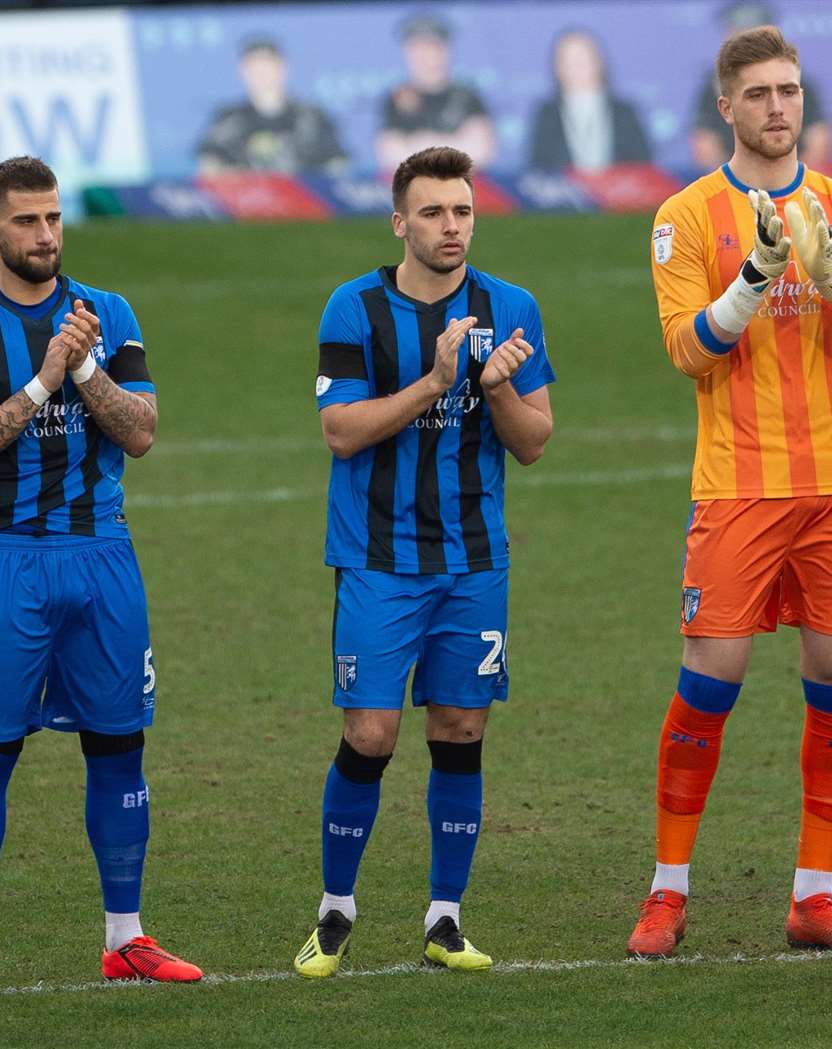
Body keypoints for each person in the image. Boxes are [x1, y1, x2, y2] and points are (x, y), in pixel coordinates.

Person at [630, 25, 832, 959]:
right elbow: (687, 350)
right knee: (709, 682)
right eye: (757, 94)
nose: (777, 107)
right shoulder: (684, 216)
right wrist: (757, 274)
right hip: (739, 488)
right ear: (726, 106)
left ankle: (814, 896)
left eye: (788, 90)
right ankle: (668, 892)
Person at [0, 156, 201, 993]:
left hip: (103, 555)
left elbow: (142, 431)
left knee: (119, 746)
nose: (44, 234)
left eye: (53, 219)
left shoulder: (107, 314)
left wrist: (82, 366)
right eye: (27, 221)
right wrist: (45, 377)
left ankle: (127, 937)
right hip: (5, 557)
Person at [294, 146, 555, 978]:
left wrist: (498, 387)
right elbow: (340, 431)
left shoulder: (512, 306)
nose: (453, 227)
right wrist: (438, 380)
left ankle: (445, 918)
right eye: (435, 212)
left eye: (464, 211)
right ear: (400, 221)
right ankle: (336, 909)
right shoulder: (353, 307)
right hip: (378, 559)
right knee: (370, 732)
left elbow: (535, 442)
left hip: (474, 561)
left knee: (461, 728)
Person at [689, 3, 832, 170]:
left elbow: (819, 138)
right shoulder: (713, 89)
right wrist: (734, 185)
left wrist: (795, 184)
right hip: (734, 182)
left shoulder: (798, 82)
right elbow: (704, 145)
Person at [196, 36, 350, 176]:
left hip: (304, 203)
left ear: (283, 68)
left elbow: (337, 165)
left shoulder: (312, 117)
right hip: (244, 204)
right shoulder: (228, 119)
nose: (262, 74)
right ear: (243, 71)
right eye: (254, 67)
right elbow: (209, 165)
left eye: (267, 65)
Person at [375, 14, 496, 171]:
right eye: (416, 48)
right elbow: (389, 155)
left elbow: (481, 152)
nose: (425, 56)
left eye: (431, 46)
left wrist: (420, 143)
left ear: (445, 50)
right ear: (407, 53)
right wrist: (453, 144)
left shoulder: (467, 96)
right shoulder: (396, 98)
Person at [527, 28, 653, 173]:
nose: (576, 66)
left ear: (599, 61)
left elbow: (644, 167)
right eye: (567, 59)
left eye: (582, 57)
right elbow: (537, 169)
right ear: (556, 66)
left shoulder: (624, 111)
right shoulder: (546, 114)